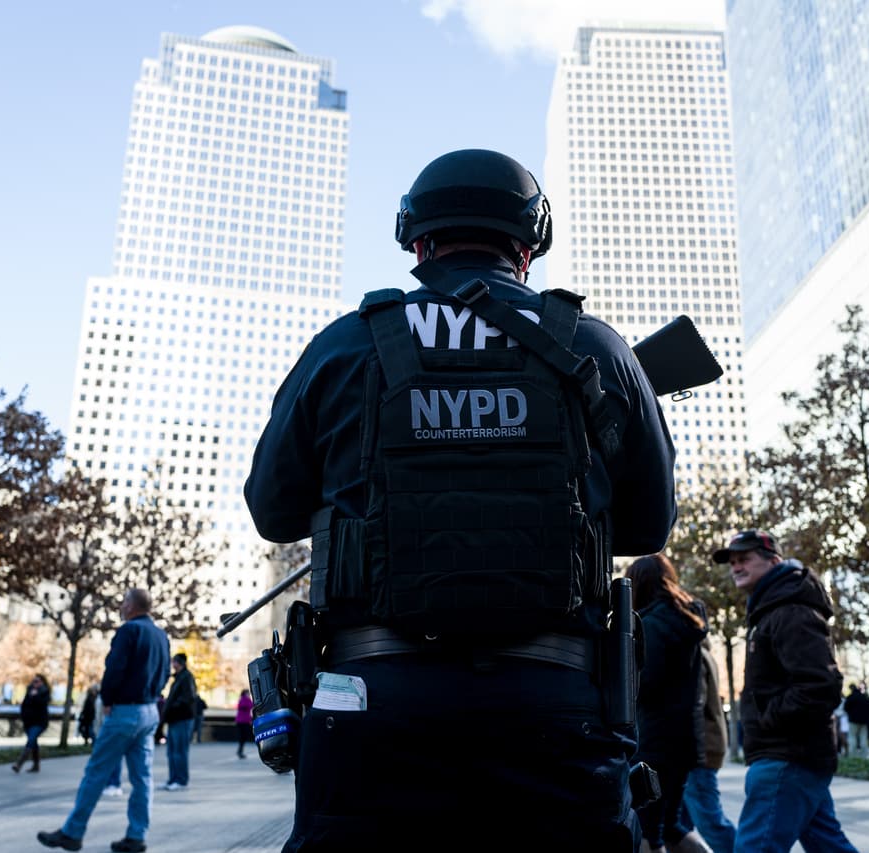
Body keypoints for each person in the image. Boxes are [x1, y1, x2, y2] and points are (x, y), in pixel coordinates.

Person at [244, 148, 676, 851]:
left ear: (416, 242)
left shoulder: (346, 346)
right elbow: (648, 523)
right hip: (555, 707)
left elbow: (273, 509)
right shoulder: (597, 347)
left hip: (370, 703)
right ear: (529, 248)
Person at [714, 529, 857, 853]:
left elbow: (821, 685)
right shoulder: (772, 609)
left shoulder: (790, 611)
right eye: (732, 561)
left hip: (786, 756)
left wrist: (769, 718)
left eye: (745, 559)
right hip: (793, 756)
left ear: (773, 561)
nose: (736, 567)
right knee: (828, 846)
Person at [37, 588, 170, 852]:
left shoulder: (128, 631)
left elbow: (115, 668)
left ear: (131, 605)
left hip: (124, 712)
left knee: (96, 772)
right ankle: (136, 836)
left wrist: (107, 699)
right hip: (149, 711)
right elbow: (165, 673)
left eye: (124, 602)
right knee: (142, 778)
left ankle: (72, 832)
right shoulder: (161, 635)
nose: (121, 607)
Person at [625, 554, 709, 853]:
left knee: (648, 831)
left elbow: (644, 685)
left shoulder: (651, 624)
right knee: (672, 827)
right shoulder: (687, 621)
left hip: (655, 741)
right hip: (683, 740)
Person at [677, 634, 737, 853]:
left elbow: (693, 703)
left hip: (697, 751)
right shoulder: (702, 652)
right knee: (678, 826)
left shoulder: (694, 654)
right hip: (696, 749)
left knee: (710, 822)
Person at [160, 653, 197, 791]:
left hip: (182, 719)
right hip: (174, 719)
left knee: (179, 751)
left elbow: (188, 698)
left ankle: (181, 780)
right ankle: (173, 779)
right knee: (172, 751)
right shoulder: (178, 678)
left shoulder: (186, 678)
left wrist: (172, 708)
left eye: (174, 662)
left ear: (179, 663)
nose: (172, 665)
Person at [13, 674, 51, 773]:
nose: (35, 683)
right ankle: (36, 765)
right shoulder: (29, 691)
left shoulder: (44, 692)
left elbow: (42, 705)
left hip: (39, 723)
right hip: (28, 722)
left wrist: (36, 696)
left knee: (31, 740)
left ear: (42, 682)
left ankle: (19, 763)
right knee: (33, 742)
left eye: (37, 681)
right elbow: (24, 705)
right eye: (34, 681)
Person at [843, 683, 869, 758]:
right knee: (863, 738)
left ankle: (853, 755)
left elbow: (845, 708)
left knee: (852, 737)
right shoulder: (864, 697)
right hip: (864, 721)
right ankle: (863, 756)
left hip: (853, 721)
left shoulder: (851, 697)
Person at [234, 688, 253, 759]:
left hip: (245, 721)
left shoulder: (245, 700)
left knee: (244, 737)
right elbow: (248, 706)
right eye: (248, 693)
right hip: (242, 721)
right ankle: (240, 751)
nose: (249, 694)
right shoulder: (243, 700)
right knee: (243, 736)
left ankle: (240, 751)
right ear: (245, 693)